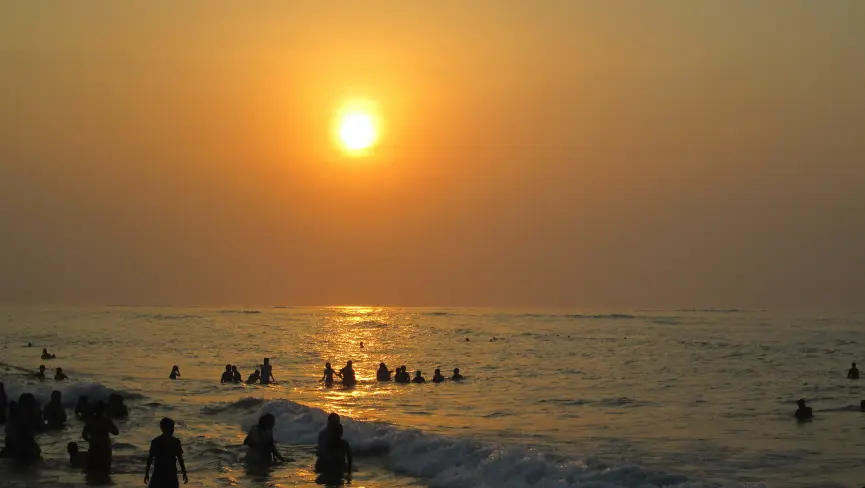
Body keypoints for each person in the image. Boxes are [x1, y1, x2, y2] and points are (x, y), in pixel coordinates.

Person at [144, 417, 188, 487]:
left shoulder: (155, 441)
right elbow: (180, 459)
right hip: (171, 474)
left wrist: (146, 473)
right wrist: (184, 472)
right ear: (170, 428)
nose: (173, 429)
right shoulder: (175, 442)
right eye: (172, 427)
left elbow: (150, 458)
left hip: (158, 473)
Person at [82, 402, 119, 473]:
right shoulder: (106, 421)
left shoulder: (91, 420)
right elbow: (116, 432)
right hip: (105, 446)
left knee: (91, 468)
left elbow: (84, 434)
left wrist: (90, 440)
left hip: (94, 446)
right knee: (105, 469)